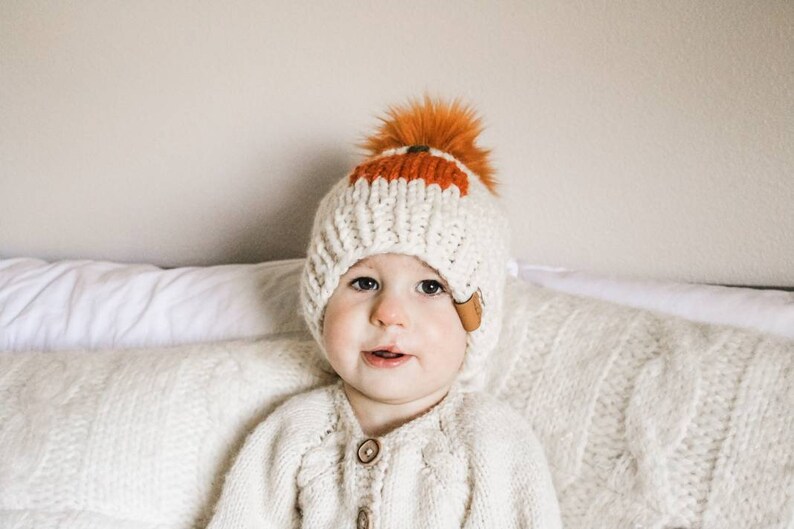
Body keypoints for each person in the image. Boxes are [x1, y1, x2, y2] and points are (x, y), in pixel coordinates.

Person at [207, 96, 562, 528]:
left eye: (430, 287)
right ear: (321, 307)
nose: (389, 313)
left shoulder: (493, 440)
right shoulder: (293, 432)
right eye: (364, 283)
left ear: (473, 320)